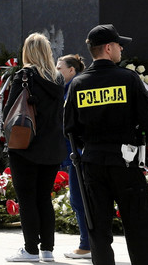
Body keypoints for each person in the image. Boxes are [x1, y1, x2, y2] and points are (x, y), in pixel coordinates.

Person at [63, 25, 148, 265]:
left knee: (99, 232)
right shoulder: (128, 78)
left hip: (93, 163)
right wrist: (139, 146)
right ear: (108, 48)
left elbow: (70, 129)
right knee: (139, 229)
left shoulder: (78, 83)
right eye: (118, 44)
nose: (122, 48)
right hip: (126, 163)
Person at [3, 33, 66, 262]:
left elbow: (10, 112)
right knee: (44, 198)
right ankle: (47, 250)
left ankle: (30, 250)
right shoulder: (58, 79)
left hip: (25, 145)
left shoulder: (24, 76)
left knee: (27, 199)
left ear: (27, 52)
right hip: (52, 147)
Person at [56, 54, 91, 259]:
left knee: (79, 200)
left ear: (72, 70)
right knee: (79, 199)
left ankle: (86, 245)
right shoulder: (65, 89)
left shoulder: (73, 90)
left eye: (59, 68)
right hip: (74, 154)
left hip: (78, 154)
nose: (56, 71)